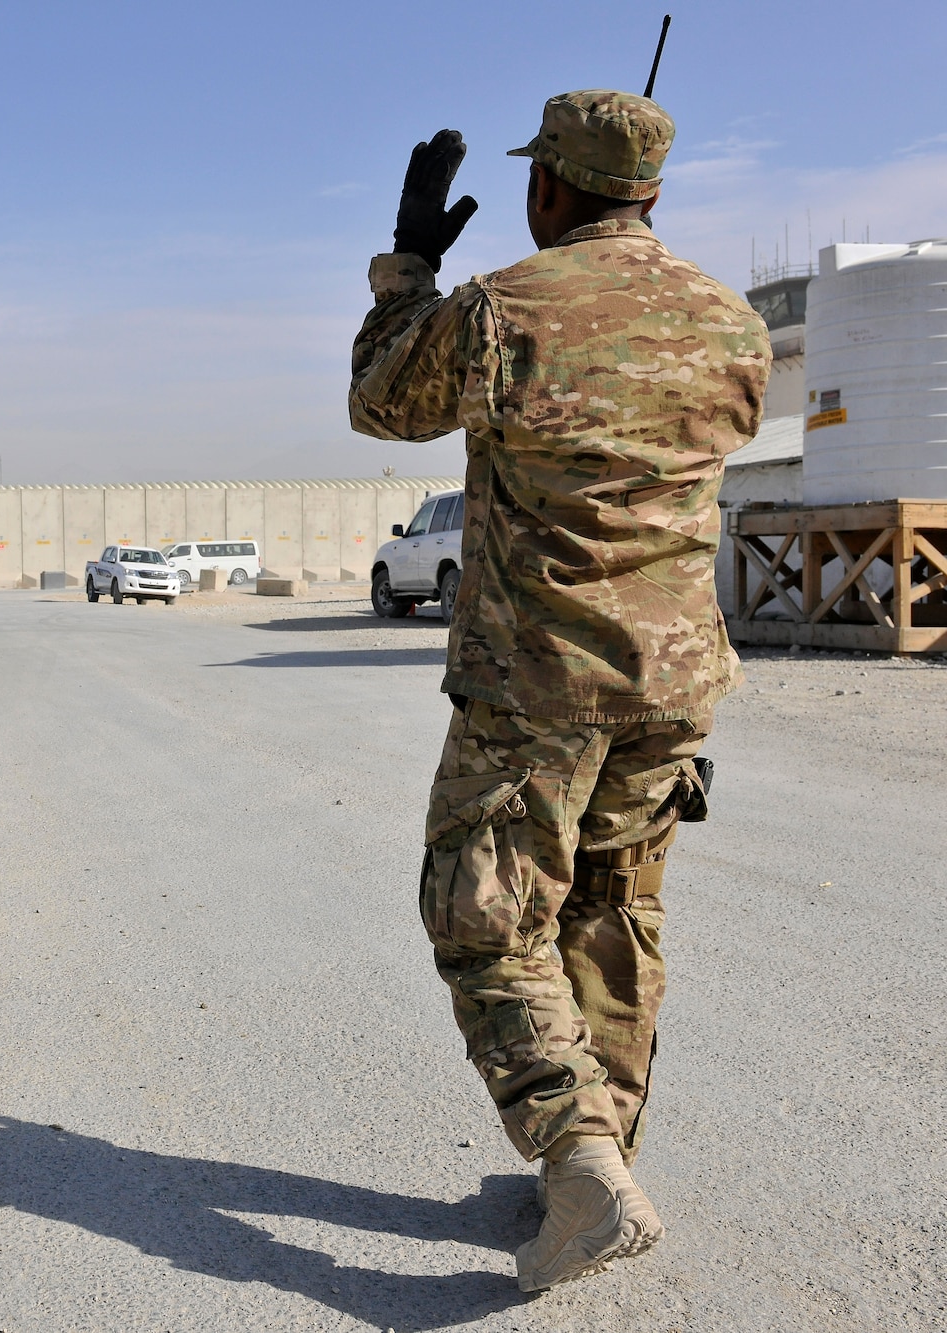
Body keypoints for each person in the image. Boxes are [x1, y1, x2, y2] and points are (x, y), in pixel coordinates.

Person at [348, 90, 771, 1292]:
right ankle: (597, 1170)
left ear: (546, 190)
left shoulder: (505, 309)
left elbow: (381, 399)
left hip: (536, 683)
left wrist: (408, 267)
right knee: (611, 911)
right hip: (672, 679)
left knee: (484, 922)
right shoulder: (730, 323)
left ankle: (575, 1155)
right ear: (647, 191)